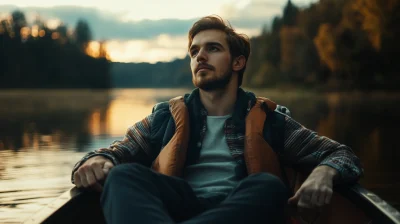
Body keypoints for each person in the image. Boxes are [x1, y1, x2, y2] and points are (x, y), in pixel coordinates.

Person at [71, 15, 363, 224]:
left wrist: (323, 173)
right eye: (194, 51)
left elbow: (341, 154)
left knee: (269, 188)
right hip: (178, 206)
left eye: (213, 48)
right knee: (123, 175)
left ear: (238, 62)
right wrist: (95, 160)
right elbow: (115, 153)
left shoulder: (272, 119)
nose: (200, 57)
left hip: (241, 208)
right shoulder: (165, 117)